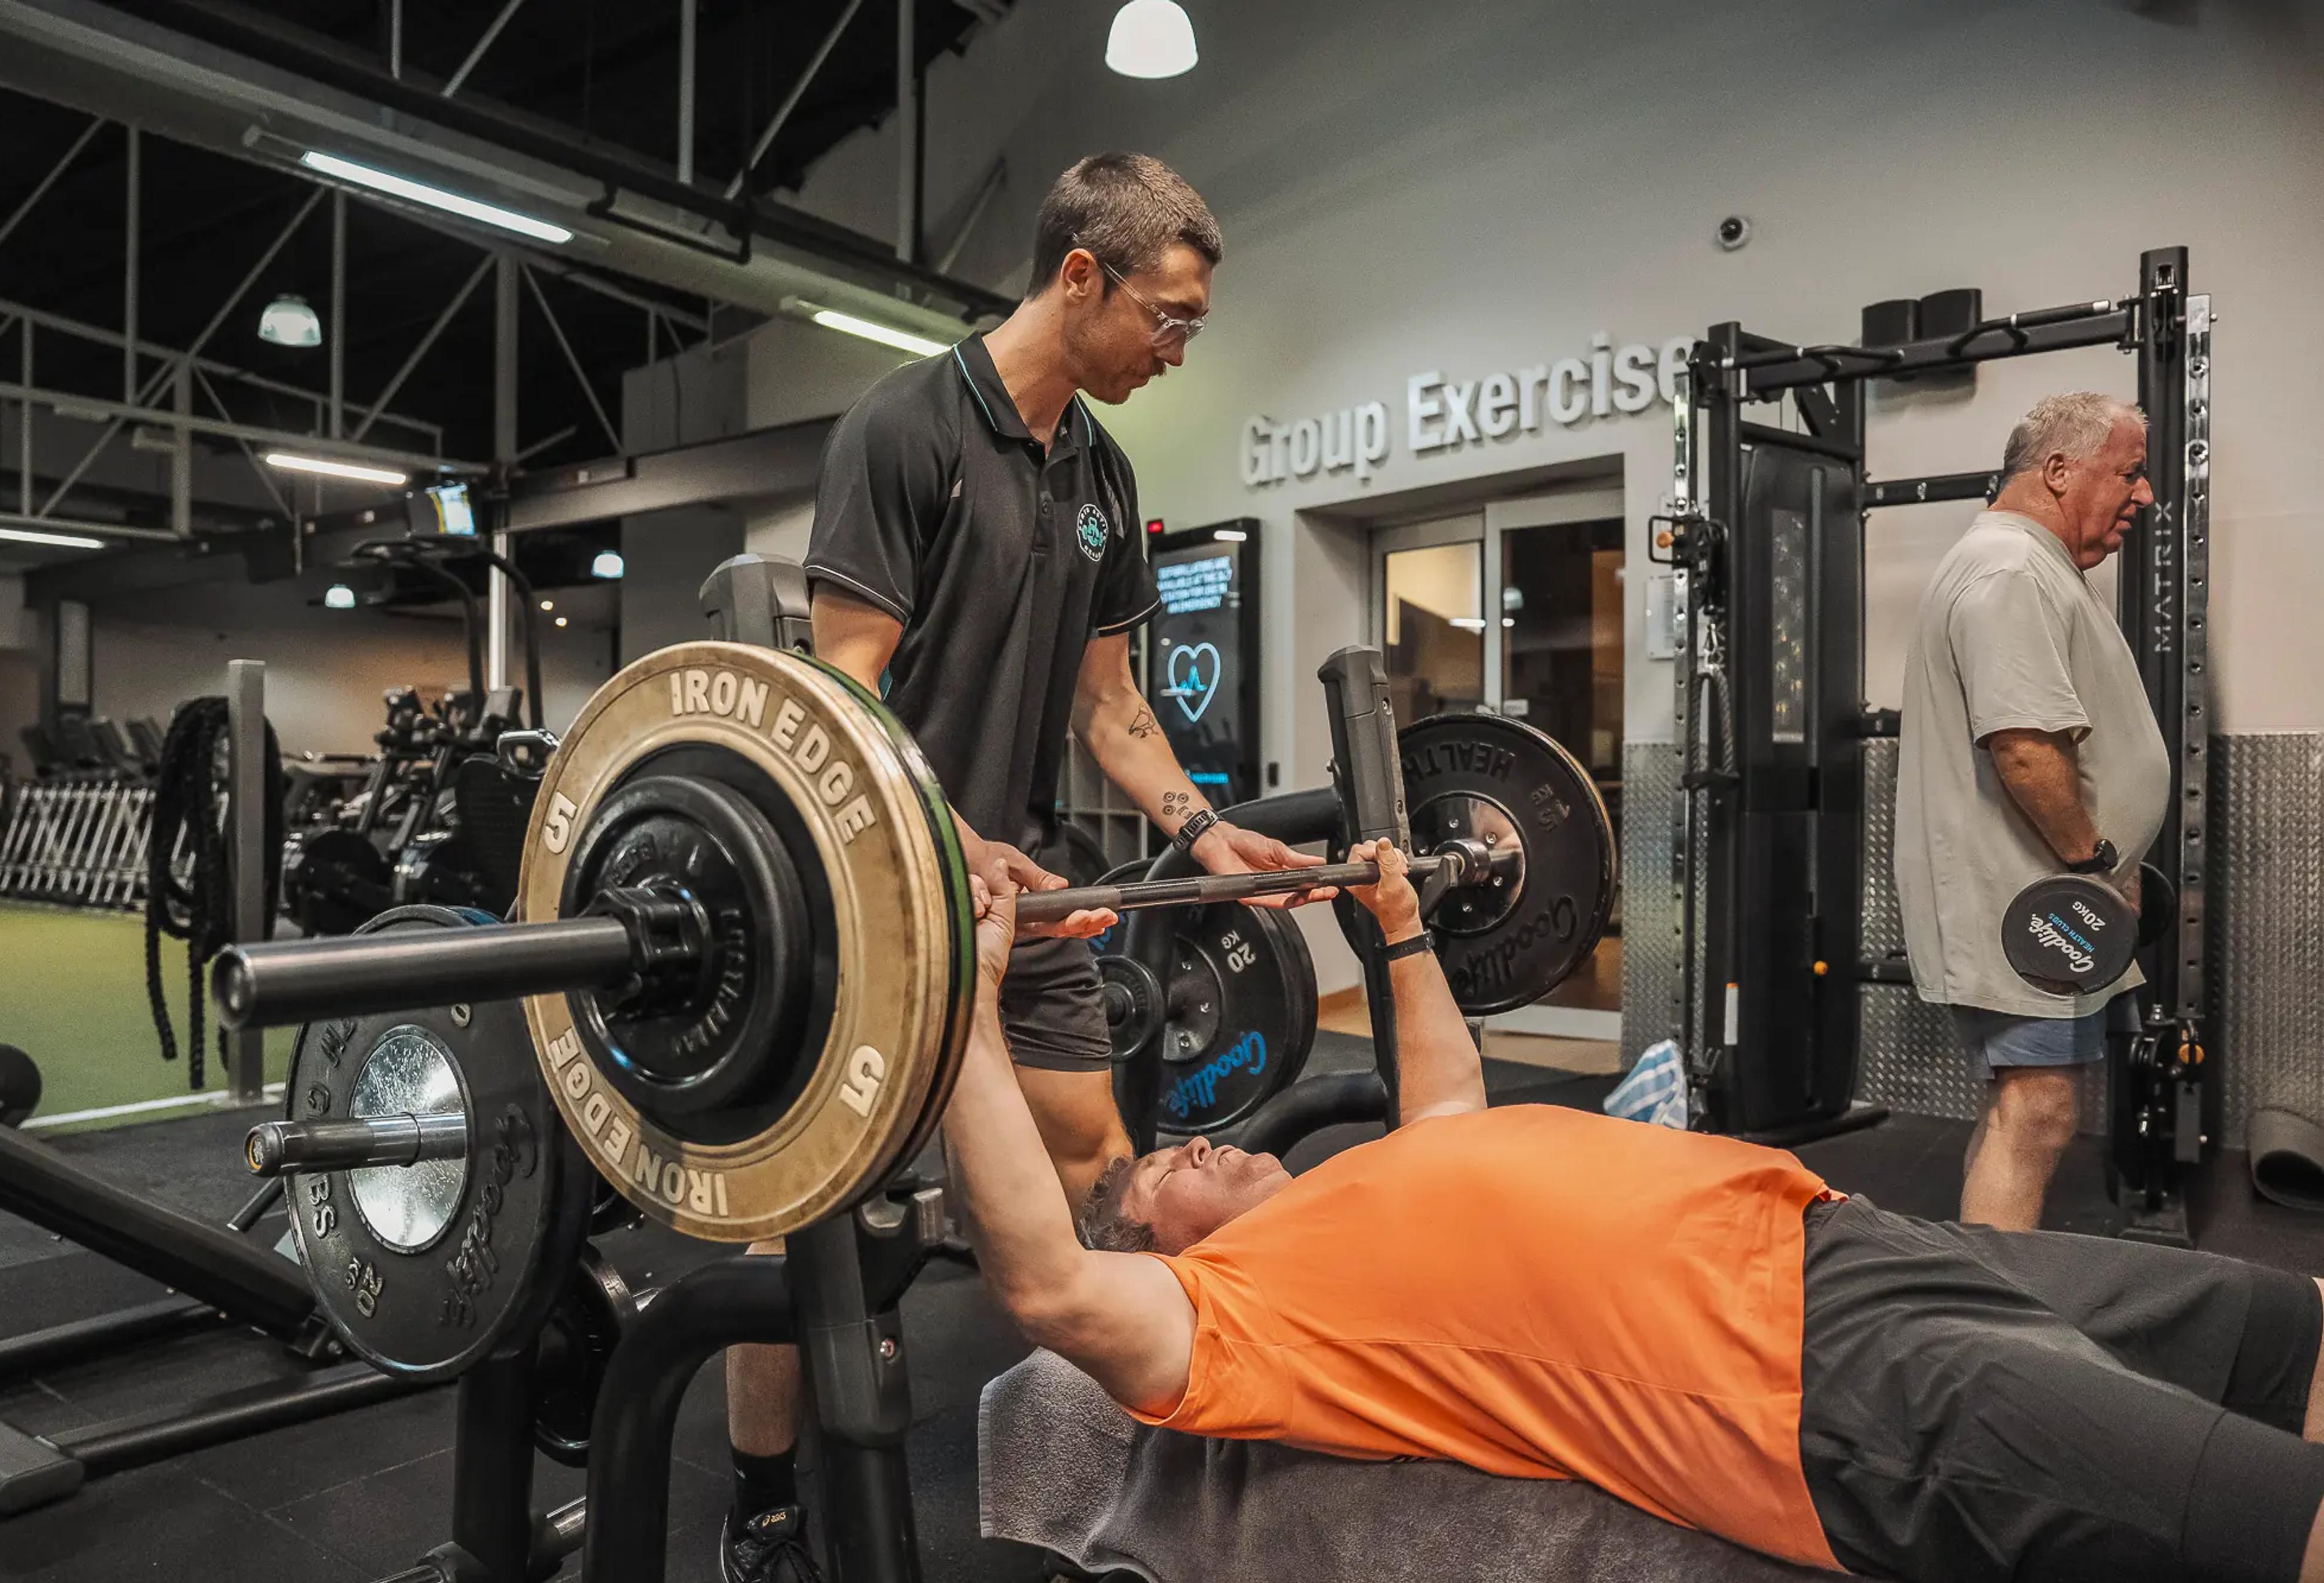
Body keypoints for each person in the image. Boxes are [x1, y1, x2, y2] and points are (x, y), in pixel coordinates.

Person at [946, 841, 2324, 1583]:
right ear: (1168, 1252)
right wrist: (964, 1012)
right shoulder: (1243, 1317)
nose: (1198, 1137)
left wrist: (1400, 925)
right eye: (1167, 1165)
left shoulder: (1371, 1179)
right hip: (1810, 1383)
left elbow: (1444, 1097)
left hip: (1851, 1235)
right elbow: (1050, 1288)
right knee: (2265, 1511)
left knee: (2278, 1320)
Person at [719, 153, 1331, 1582]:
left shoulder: (1102, 476)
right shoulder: (906, 428)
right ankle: (758, 1499)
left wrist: (1201, 826)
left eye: (1191, 324)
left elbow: (1112, 708)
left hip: (1025, 888)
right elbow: (845, 694)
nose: (1179, 350)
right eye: (1167, 318)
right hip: (867, 888)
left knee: (1106, 1165)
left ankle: (1132, 1456)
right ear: (1080, 277)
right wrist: (942, 828)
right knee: (802, 1229)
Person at [1893, 391, 2171, 1230]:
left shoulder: (2036, 566)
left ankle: (1975, 1297)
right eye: (2130, 472)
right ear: (2057, 471)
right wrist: (2092, 866)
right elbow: (2024, 749)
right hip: (2036, 898)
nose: (2146, 495)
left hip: (2047, 893)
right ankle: (1988, 1331)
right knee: (2039, 1108)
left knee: (2023, 1106)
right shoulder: (2010, 570)